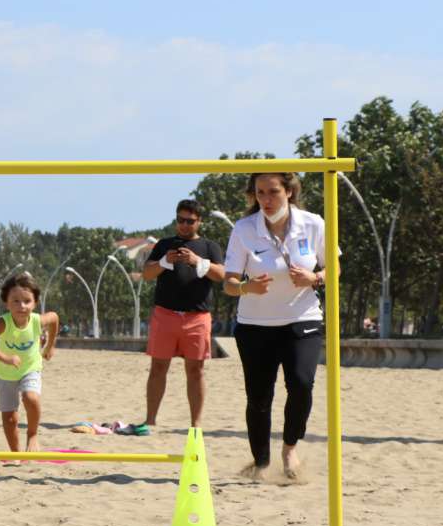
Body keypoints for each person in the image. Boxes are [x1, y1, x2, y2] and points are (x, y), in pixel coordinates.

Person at [223, 173, 339, 480]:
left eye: (273, 191)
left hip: (303, 319)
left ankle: (289, 448)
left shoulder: (312, 223)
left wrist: (315, 278)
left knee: (301, 384)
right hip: (255, 326)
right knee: (259, 398)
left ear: (288, 191)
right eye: (260, 192)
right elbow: (229, 283)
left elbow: (334, 267)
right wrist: (247, 288)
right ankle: (260, 461)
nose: (266, 199)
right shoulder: (244, 229)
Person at [142, 199, 225, 429]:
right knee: (158, 367)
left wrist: (197, 261)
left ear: (199, 221)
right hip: (165, 314)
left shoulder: (210, 246)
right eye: (180, 220)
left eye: (190, 221)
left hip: (197, 317)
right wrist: (164, 261)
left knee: (196, 370)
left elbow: (222, 275)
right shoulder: (164, 245)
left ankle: (196, 423)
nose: (184, 225)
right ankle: (150, 419)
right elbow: (147, 274)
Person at [0, 273, 60, 452]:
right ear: (6, 303)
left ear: (35, 303)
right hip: (5, 374)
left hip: (30, 368)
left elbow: (54, 318)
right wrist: (5, 358)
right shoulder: (3, 323)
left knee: (31, 398)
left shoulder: (37, 321)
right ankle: (16, 454)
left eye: (27, 301)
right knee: (10, 418)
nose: (21, 306)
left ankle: (32, 434)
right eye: (15, 301)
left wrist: (50, 346)